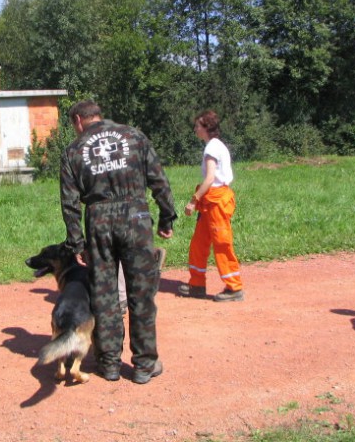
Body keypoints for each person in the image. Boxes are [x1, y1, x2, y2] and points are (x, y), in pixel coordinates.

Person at [60, 100, 177, 384]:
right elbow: (159, 180)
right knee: (141, 293)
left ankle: (109, 364)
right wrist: (166, 217)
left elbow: (70, 202)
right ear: (98, 115)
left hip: (99, 220)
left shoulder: (74, 150)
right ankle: (144, 365)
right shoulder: (134, 136)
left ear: (78, 120)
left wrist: (77, 243)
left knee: (105, 295)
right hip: (136, 216)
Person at [179, 110, 244, 302]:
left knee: (222, 244)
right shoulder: (214, 146)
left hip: (216, 200)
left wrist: (193, 200)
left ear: (206, 128)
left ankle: (234, 288)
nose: (195, 129)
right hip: (211, 200)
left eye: (198, 125)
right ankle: (197, 284)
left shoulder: (212, 148)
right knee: (199, 244)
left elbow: (209, 178)